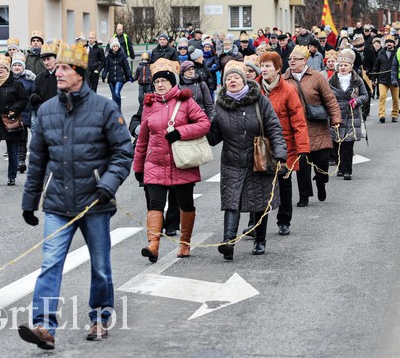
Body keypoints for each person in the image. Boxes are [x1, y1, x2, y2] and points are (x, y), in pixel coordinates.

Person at [18, 42, 133, 349]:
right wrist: (29, 202)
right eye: (57, 67)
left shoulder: (105, 108)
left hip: (95, 202)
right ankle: (43, 327)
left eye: (65, 68)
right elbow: (37, 161)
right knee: (50, 263)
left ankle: (99, 318)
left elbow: (123, 152)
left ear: (80, 73)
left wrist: (107, 184)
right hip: (57, 204)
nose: (58, 72)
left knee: (100, 266)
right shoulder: (46, 111)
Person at [133, 59, 211, 262]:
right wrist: (138, 166)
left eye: (164, 81)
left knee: (186, 204)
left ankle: (184, 243)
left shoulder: (186, 101)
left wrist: (180, 132)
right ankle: (153, 245)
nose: (160, 85)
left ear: (172, 82)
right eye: (156, 82)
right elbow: (143, 139)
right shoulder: (149, 104)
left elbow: (204, 124)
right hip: (155, 163)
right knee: (155, 204)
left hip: (182, 162)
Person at [207, 61, 287, 259]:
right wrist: (202, 126)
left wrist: (280, 154)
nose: (232, 80)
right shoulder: (220, 105)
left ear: (244, 81)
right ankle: (228, 243)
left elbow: (274, 128)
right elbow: (214, 138)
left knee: (259, 201)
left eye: (236, 77)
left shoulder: (260, 101)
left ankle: (260, 240)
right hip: (231, 161)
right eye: (228, 78)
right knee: (231, 201)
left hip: (258, 159)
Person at [255, 51, 309, 236]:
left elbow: (298, 120)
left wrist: (302, 147)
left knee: (284, 182)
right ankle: (255, 224)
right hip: (260, 144)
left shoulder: (288, 90)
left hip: (285, 144)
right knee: (259, 185)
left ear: (278, 69)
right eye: (262, 65)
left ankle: (284, 220)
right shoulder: (255, 88)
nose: (264, 69)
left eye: (268, 66)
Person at [284, 45, 341, 206]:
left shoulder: (317, 77)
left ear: (305, 60)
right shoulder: (284, 79)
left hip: (317, 126)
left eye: (296, 59)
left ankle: (321, 182)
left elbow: (329, 99)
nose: (292, 61)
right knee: (302, 163)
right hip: (297, 128)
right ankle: (304, 196)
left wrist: (336, 117)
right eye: (290, 59)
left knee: (322, 161)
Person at [0, 55, 27, 187]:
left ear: (8, 70)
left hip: (11, 119)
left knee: (12, 150)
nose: (0, 69)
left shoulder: (16, 83)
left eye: (3, 67)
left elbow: (24, 100)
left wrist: (14, 109)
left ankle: (12, 176)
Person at [328, 50, 369, 180]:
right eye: (341, 65)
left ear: (351, 66)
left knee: (348, 144)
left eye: (346, 65)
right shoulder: (331, 81)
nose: (343, 68)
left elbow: (365, 95)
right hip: (336, 114)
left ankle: (347, 171)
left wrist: (357, 101)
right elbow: (326, 96)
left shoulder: (357, 80)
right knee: (337, 143)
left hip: (352, 115)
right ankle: (340, 167)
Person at [11, 53, 36, 174]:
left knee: (22, 137)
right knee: (12, 138)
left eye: (19, 65)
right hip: (11, 112)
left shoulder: (29, 80)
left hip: (25, 112)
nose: (17, 67)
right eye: (14, 65)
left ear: (23, 67)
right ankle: (15, 160)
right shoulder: (8, 79)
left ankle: (21, 161)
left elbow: (33, 96)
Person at [29, 41, 60, 126]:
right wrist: (34, 98)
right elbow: (35, 92)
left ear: (56, 59)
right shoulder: (40, 77)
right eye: (44, 60)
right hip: (45, 116)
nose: (46, 62)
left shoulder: (63, 75)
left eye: (48, 59)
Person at [373, 36, 399, 123]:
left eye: (391, 42)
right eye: (387, 42)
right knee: (382, 96)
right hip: (382, 79)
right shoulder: (381, 53)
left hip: (394, 79)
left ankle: (395, 114)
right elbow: (376, 67)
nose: (389, 44)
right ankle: (382, 115)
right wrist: (373, 78)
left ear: (394, 44)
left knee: (395, 98)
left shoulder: (398, 53)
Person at [102, 39, 132, 109]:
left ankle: (118, 107)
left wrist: (129, 75)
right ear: (111, 47)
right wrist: (104, 75)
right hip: (111, 78)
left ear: (118, 47)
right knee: (113, 95)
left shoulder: (122, 55)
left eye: (116, 46)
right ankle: (115, 109)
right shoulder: (108, 56)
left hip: (120, 77)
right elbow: (106, 67)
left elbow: (126, 66)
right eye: (114, 46)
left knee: (116, 92)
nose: (115, 47)